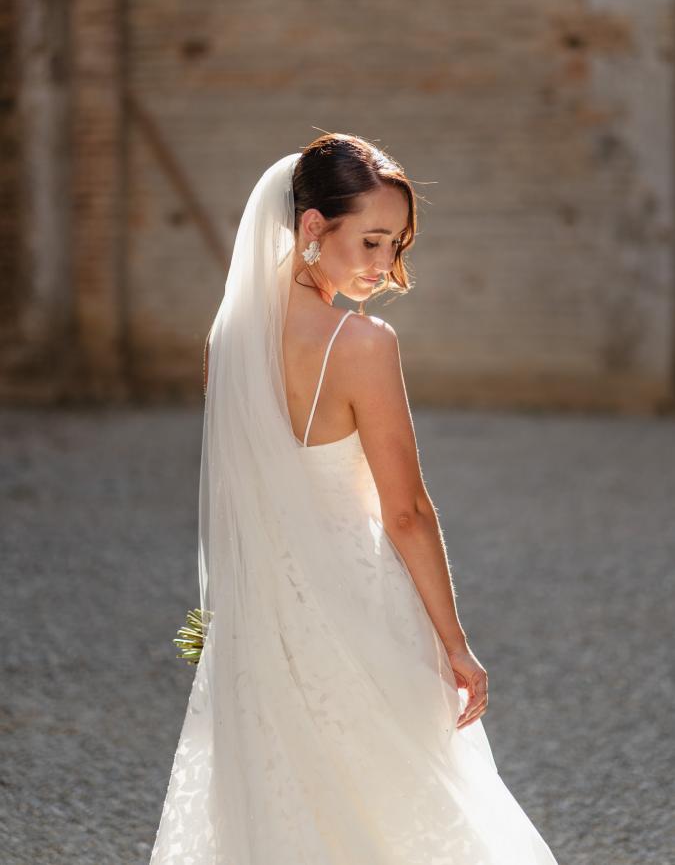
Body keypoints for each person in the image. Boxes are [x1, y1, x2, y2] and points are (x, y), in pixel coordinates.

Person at [149, 133, 559, 864]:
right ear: (312, 227)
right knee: (411, 810)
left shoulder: (228, 337)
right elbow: (406, 512)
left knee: (290, 814)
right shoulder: (363, 344)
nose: (384, 264)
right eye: (369, 240)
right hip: (360, 609)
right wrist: (455, 644)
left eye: (395, 243)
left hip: (259, 627)